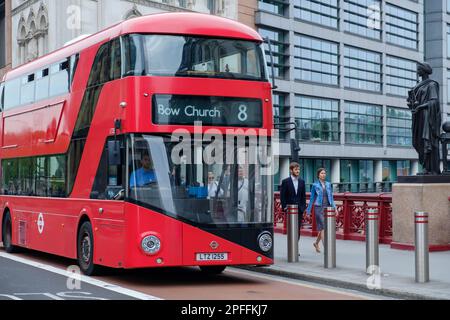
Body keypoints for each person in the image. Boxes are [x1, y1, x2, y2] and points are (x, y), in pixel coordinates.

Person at [407, 62, 441, 174]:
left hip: (428, 118)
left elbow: (434, 102)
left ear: (424, 70)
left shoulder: (432, 85)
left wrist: (420, 107)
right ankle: (425, 167)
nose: (417, 71)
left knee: (427, 141)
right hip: (419, 117)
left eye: (419, 69)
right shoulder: (419, 85)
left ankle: (430, 169)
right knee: (419, 141)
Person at [306, 168, 336, 253]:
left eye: (324, 173)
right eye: (322, 173)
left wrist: (335, 208)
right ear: (318, 175)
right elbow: (311, 199)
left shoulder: (328, 184)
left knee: (324, 228)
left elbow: (332, 198)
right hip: (318, 208)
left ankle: (316, 243)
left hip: (328, 207)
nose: (323, 175)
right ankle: (326, 248)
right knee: (323, 227)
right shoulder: (315, 185)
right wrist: (308, 211)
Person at [280, 162, 306, 243]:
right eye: (296, 169)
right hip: (289, 209)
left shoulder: (302, 181)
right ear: (291, 170)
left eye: (298, 169)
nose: (298, 171)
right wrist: (285, 207)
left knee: (297, 229)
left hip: (299, 209)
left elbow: (303, 196)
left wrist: (303, 207)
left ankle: (295, 247)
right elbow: (282, 196)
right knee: (291, 229)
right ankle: (291, 247)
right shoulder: (285, 181)